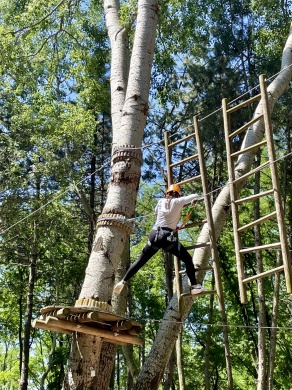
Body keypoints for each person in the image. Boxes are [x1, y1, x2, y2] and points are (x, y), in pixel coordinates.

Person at [113, 184, 206, 296]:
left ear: (167, 194)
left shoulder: (160, 202)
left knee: (140, 261)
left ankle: (123, 280)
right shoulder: (179, 202)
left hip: (154, 235)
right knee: (187, 259)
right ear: (177, 195)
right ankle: (194, 286)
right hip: (167, 238)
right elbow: (195, 195)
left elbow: (157, 212)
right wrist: (184, 204)